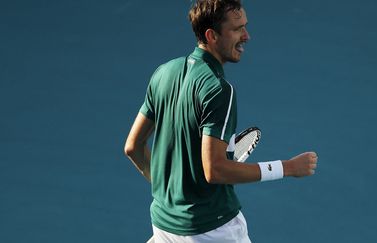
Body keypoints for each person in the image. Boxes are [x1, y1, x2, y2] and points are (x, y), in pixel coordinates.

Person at [124, 0, 318, 242]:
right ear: (212, 35)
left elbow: (132, 147)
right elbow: (215, 169)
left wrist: (173, 192)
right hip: (213, 232)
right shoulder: (218, 90)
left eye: (245, 27)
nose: (246, 36)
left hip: (164, 227)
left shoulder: (163, 73)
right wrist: (287, 167)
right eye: (237, 29)